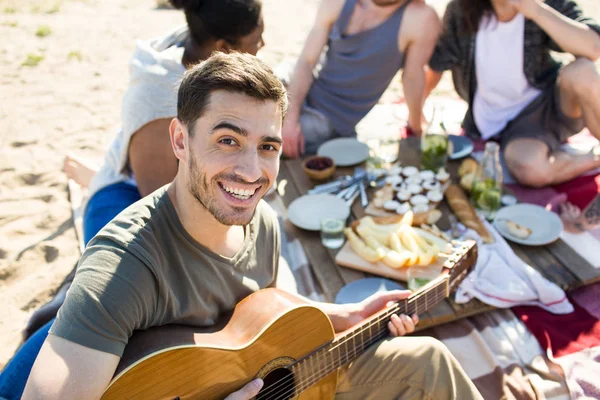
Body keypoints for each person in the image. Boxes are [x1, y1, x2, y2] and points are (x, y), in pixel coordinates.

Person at [23, 52, 482, 400]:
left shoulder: (262, 222)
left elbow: (266, 326)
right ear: (181, 140)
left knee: (430, 359)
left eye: (267, 146)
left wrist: (346, 317)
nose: (250, 171)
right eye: (228, 140)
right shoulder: (123, 267)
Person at [0, 1, 265, 399]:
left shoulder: (201, 57)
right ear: (225, 47)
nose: (263, 46)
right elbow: (168, 208)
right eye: (255, 42)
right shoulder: (160, 96)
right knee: (113, 289)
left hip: (162, 178)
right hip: (124, 191)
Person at [427, 0, 600, 188]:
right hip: (509, 126)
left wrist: (536, 11)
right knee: (530, 170)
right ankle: (593, 157)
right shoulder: (461, 9)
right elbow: (436, 64)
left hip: (550, 104)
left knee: (583, 71)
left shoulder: (543, 3)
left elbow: (593, 48)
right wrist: (415, 117)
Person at [281, 0, 441, 158]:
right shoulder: (338, 3)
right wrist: (290, 118)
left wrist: (416, 127)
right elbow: (307, 61)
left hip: (330, 117)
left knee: (265, 137)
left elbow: (412, 78)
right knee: (266, 86)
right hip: (301, 86)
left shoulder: (420, 17)